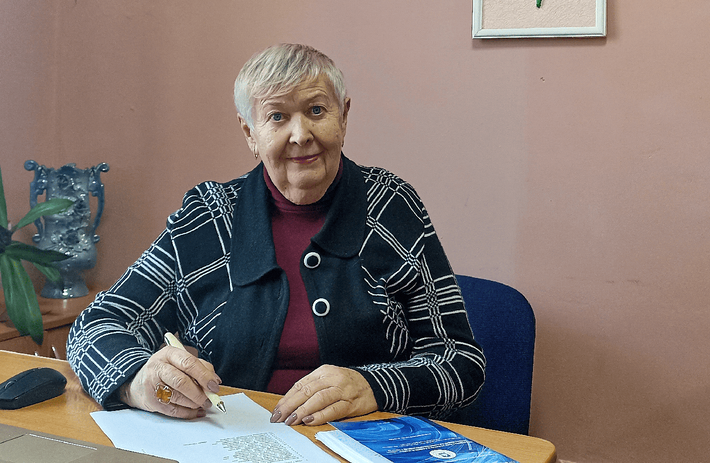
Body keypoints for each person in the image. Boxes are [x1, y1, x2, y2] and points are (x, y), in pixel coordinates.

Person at [67, 43, 484, 427]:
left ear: (344, 117)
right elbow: (96, 324)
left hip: (368, 442)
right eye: (277, 117)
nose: (300, 135)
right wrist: (137, 381)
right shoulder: (209, 216)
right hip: (231, 443)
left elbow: (461, 361)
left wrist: (373, 386)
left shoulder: (391, 205)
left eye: (317, 110)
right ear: (250, 133)